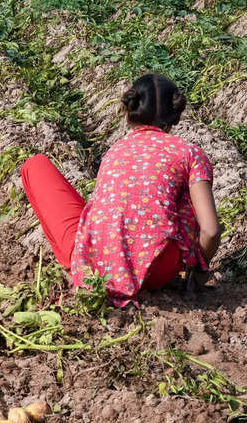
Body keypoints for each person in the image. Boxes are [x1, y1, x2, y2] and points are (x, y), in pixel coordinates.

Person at [20, 74, 222, 307]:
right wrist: (196, 277)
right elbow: (211, 230)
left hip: (97, 267)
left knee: (35, 166)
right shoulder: (189, 153)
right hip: (157, 268)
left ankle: (92, 262)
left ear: (128, 113)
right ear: (174, 117)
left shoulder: (116, 150)